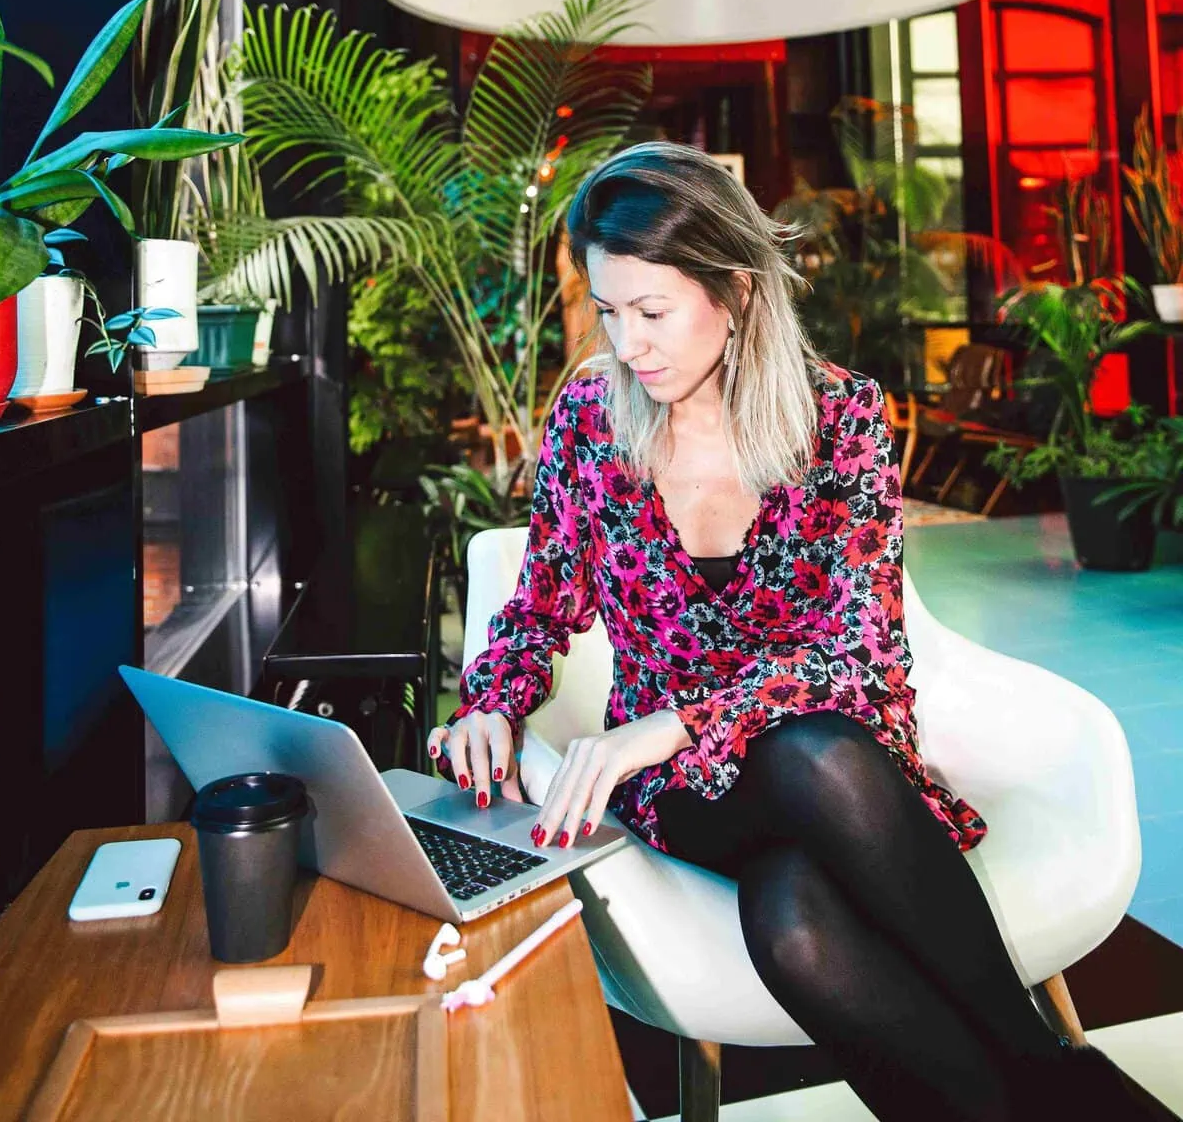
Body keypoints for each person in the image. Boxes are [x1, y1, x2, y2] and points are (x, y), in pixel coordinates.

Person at [427, 142, 1162, 1121]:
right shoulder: (591, 423)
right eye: (609, 313)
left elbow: (853, 652)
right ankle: (1058, 1078)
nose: (627, 344)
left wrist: (675, 721)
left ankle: (1027, 1091)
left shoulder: (842, 417)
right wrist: (490, 703)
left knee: (791, 920)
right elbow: (541, 601)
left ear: (734, 291)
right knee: (803, 765)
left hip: (838, 768)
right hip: (686, 793)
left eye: (652, 312)